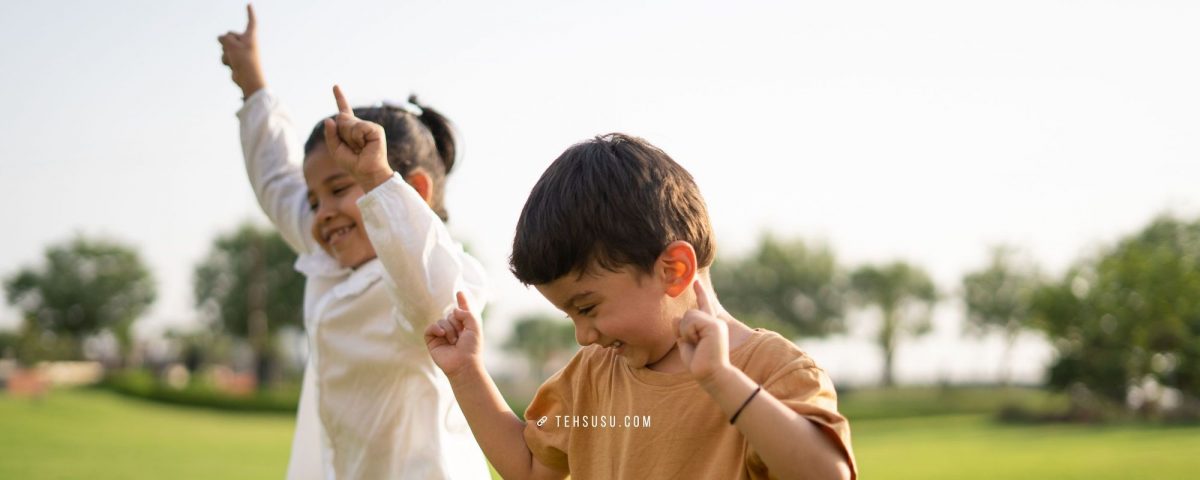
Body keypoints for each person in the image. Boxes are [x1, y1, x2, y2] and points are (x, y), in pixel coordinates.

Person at [425, 133, 858, 479]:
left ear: (674, 269)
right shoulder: (590, 378)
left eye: (588, 307)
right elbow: (532, 468)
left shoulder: (771, 370)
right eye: (570, 315)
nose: (582, 334)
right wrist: (466, 372)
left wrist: (721, 379)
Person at [218, 6, 491, 479]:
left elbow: (430, 294)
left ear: (414, 193)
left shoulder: (434, 280)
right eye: (314, 198)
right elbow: (277, 182)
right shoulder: (329, 261)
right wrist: (253, 87)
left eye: (340, 189)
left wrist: (377, 179)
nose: (320, 213)